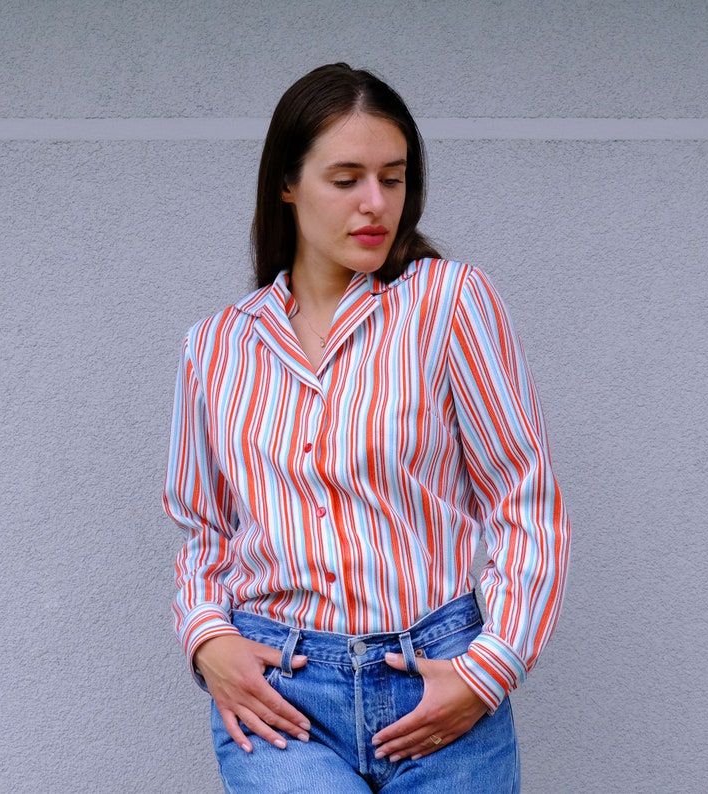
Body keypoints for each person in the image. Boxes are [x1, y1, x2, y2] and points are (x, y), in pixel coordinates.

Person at [163, 63, 570, 793]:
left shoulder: (449, 303)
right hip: (280, 698)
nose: (376, 203)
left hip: (438, 679)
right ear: (288, 183)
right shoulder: (216, 346)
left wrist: (491, 669)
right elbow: (207, 532)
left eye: (394, 175)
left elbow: (522, 498)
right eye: (346, 178)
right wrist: (207, 639)